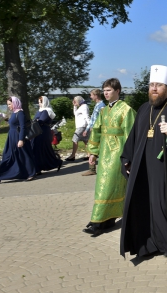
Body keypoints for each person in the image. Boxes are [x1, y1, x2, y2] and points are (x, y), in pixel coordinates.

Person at [120, 65, 167, 259]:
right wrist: (127, 159)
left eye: (159, 85)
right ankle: (148, 244)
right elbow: (134, 136)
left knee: (166, 206)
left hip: (166, 168)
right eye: (151, 85)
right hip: (143, 168)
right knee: (144, 204)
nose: (154, 88)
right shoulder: (144, 109)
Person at [83, 79, 136, 236]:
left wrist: (129, 158)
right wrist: (92, 152)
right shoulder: (103, 111)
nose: (106, 93)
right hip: (105, 153)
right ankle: (107, 219)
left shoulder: (126, 110)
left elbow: (131, 135)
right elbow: (96, 132)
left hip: (118, 153)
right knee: (103, 185)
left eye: (109, 90)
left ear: (118, 91)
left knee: (108, 186)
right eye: (104, 90)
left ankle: (97, 221)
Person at [0, 97, 37, 183]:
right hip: (12, 137)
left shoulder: (20, 113)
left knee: (24, 155)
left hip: (18, 137)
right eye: (8, 104)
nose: (9, 106)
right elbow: (14, 124)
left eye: (10, 104)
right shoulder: (14, 113)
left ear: (15, 103)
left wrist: (21, 140)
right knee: (7, 156)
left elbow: (23, 127)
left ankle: (31, 173)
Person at [31, 96, 63, 174]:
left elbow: (40, 121)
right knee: (41, 150)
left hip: (43, 132)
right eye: (38, 102)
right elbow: (35, 120)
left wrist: (35, 121)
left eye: (40, 102)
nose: (39, 104)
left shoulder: (47, 111)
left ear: (44, 102)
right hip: (37, 132)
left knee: (39, 150)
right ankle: (39, 167)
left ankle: (39, 168)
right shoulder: (40, 110)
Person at [81, 89, 106, 176]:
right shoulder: (97, 105)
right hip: (94, 129)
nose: (90, 97)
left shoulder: (102, 106)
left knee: (95, 148)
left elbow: (102, 119)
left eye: (91, 95)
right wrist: (87, 129)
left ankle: (93, 168)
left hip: (98, 131)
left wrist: (97, 128)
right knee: (91, 147)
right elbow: (92, 119)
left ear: (96, 95)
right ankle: (91, 168)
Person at [65, 96, 90, 161]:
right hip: (81, 126)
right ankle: (89, 155)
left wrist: (90, 125)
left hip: (82, 126)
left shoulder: (84, 107)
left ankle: (73, 155)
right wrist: (75, 106)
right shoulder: (81, 107)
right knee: (85, 140)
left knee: (75, 139)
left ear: (79, 100)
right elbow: (75, 114)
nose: (74, 102)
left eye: (75, 101)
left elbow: (87, 116)